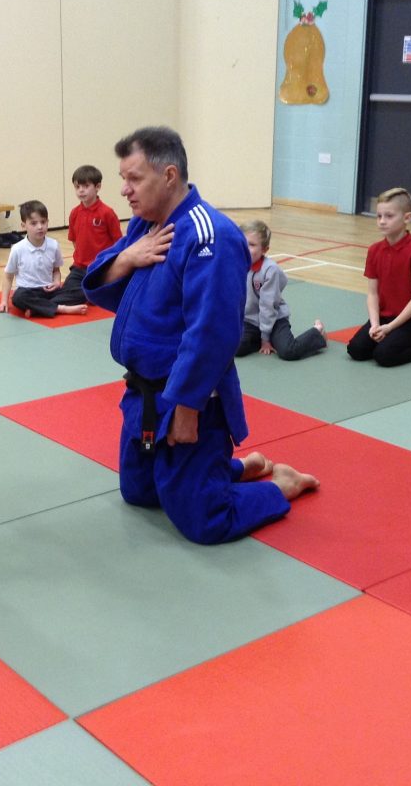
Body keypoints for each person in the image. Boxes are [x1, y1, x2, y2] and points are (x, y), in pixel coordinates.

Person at [83, 126, 317, 545]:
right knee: (139, 493)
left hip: (188, 396)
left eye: (134, 178)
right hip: (143, 394)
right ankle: (236, 469)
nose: (124, 190)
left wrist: (187, 407)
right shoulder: (145, 225)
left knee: (204, 520)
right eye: (123, 178)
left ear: (169, 175)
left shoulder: (211, 236)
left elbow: (212, 333)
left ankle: (280, 485)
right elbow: (98, 281)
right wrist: (128, 257)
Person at [346, 187, 411, 367]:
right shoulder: (374, 250)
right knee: (356, 350)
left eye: (389, 216)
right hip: (384, 316)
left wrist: (390, 327)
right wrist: (375, 324)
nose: (382, 221)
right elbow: (372, 293)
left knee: (384, 356)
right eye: (379, 216)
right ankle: (389, 336)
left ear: (406, 218)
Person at [238, 220, 326, 360]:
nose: (245, 248)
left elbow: (268, 306)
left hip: (274, 320)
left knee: (287, 351)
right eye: (243, 242)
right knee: (235, 347)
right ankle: (257, 338)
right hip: (250, 321)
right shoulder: (237, 264)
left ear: (264, 250)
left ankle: (317, 333)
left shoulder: (270, 270)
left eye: (252, 245)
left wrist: (265, 338)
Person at [0, 200, 88, 317]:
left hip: (49, 291)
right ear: (23, 226)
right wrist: (4, 301)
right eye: (33, 223)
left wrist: (56, 282)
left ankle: (37, 309)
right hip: (28, 292)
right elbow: (8, 277)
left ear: (48, 222)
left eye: (43, 222)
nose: (40, 227)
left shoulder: (53, 245)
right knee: (18, 297)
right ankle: (61, 308)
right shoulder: (18, 249)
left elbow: (56, 270)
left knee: (82, 292)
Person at [61, 164, 123, 304]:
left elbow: (118, 243)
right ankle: (52, 303)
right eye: (77, 187)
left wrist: (110, 265)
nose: (81, 190)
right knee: (66, 290)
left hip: (100, 267)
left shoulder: (107, 213)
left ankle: (92, 294)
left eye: (86, 186)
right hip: (80, 268)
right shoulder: (74, 213)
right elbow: (74, 240)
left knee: (91, 290)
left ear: (97, 186)